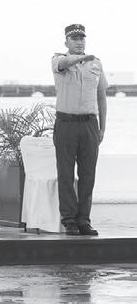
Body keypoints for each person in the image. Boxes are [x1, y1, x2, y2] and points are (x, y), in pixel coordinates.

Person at [51, 24, 107, 236]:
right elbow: (64, 63)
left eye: (82, 38)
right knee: (66, 174)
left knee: (88, 175)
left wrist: (102, 127)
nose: (79, 41)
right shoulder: (59, 59)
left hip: (89, 124)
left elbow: (101, 96)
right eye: (74, 38)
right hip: (66, 124)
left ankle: (84, 220)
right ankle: (69, 220)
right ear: (66, 42)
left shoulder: (95, 63)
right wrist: (80, 58)